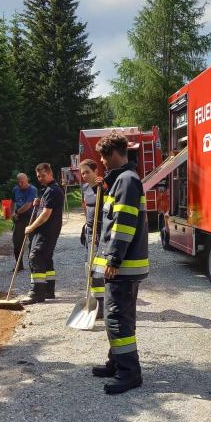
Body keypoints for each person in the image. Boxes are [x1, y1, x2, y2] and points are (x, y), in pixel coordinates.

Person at [90, 132, 149, 395]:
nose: (102, 162)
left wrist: (114, 258)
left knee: (116, 318)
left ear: (114, 153)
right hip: (125, 265)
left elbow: (123, 224)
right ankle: (116, 363)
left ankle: (129, 373)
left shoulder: (126, 181)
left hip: (123, 266)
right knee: (121, 316)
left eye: (103, 157)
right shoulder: (123, 180)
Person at [20, 163, 64, 305]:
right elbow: (45, 207)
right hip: (49, 230)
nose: (40, 179)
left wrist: (31, 227)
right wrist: (39, 203)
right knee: (46, 258)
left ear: (50, 173)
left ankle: (36, 293)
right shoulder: (49, 189)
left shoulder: (52, 191)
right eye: (38, 176)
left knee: (36, 257)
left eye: (43, 176)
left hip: (46, 231)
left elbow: (45, 215)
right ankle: (48, 290)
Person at [79, 159, 104, 319]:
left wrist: (101, 187)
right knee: (89, 267)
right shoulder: (84, 188)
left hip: (100, 232)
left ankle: (100, 306)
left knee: (97, 270)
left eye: (87, 172)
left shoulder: (103, 187)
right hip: (89, 232)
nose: (84, 175)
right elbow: (86, 207)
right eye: (82, 173)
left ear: (96, 171)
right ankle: (94, 302)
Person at [11, 173, 37, 271]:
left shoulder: (32, 189)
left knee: (32, 241)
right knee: (17, 242)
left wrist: (16, 212)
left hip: (31, 217)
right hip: (19, 218)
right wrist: (12, 213)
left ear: (27, 180)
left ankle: (33, 264)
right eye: (19, 182)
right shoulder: (15, 189)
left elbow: (27, 205)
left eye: (22, 182)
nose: (20, 184)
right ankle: (19, 265)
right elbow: (12, 202)